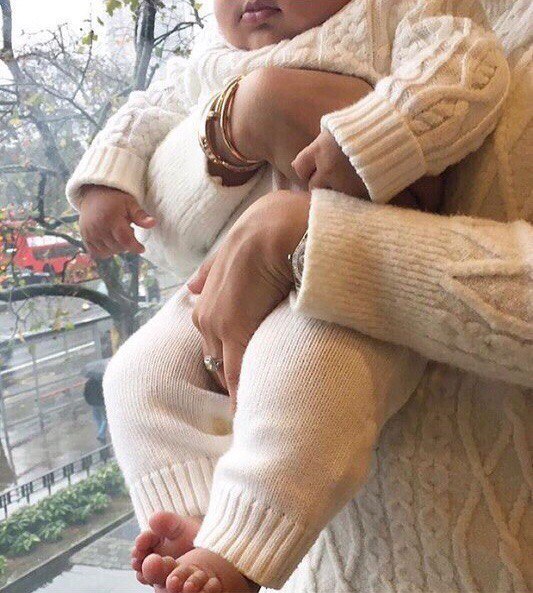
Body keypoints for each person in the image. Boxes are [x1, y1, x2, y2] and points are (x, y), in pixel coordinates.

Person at [66, 1, 514, 592]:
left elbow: (465, 70)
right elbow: (147, 113)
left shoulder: (392, 12)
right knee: (136, 377)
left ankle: (240, 550)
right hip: (222, 275)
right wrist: (106, 177)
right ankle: (191, 519)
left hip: (346, 284)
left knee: (300, 385)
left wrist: (369, 137)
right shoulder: (209, 55)